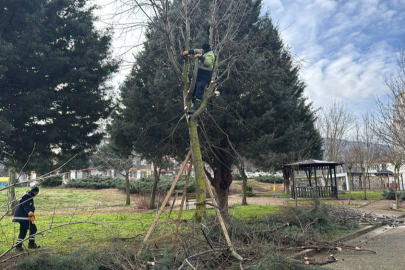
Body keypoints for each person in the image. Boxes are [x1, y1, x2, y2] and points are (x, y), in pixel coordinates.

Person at [182, 43, 215, 114]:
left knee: (199, 91)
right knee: (193, 91)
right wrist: (188, 52)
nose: (201, 50)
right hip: (198, 76)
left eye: (202, 49)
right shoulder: (203, 52)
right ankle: (193, 106)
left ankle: (196, 108)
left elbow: (208, 63)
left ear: (205, 50)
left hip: (204, 77)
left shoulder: (210, 54)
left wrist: (200, 57)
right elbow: (196, 51)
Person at [13, 186, 41, 251]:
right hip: (23, 217)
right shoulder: (28, 196)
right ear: (35, 192)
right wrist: (31, 214)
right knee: (33, 229)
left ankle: (18, 246)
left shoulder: (26, 195)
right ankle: (31, 244)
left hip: (20, 217)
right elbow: (26, 206)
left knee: (23, 231)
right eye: (37, 193)